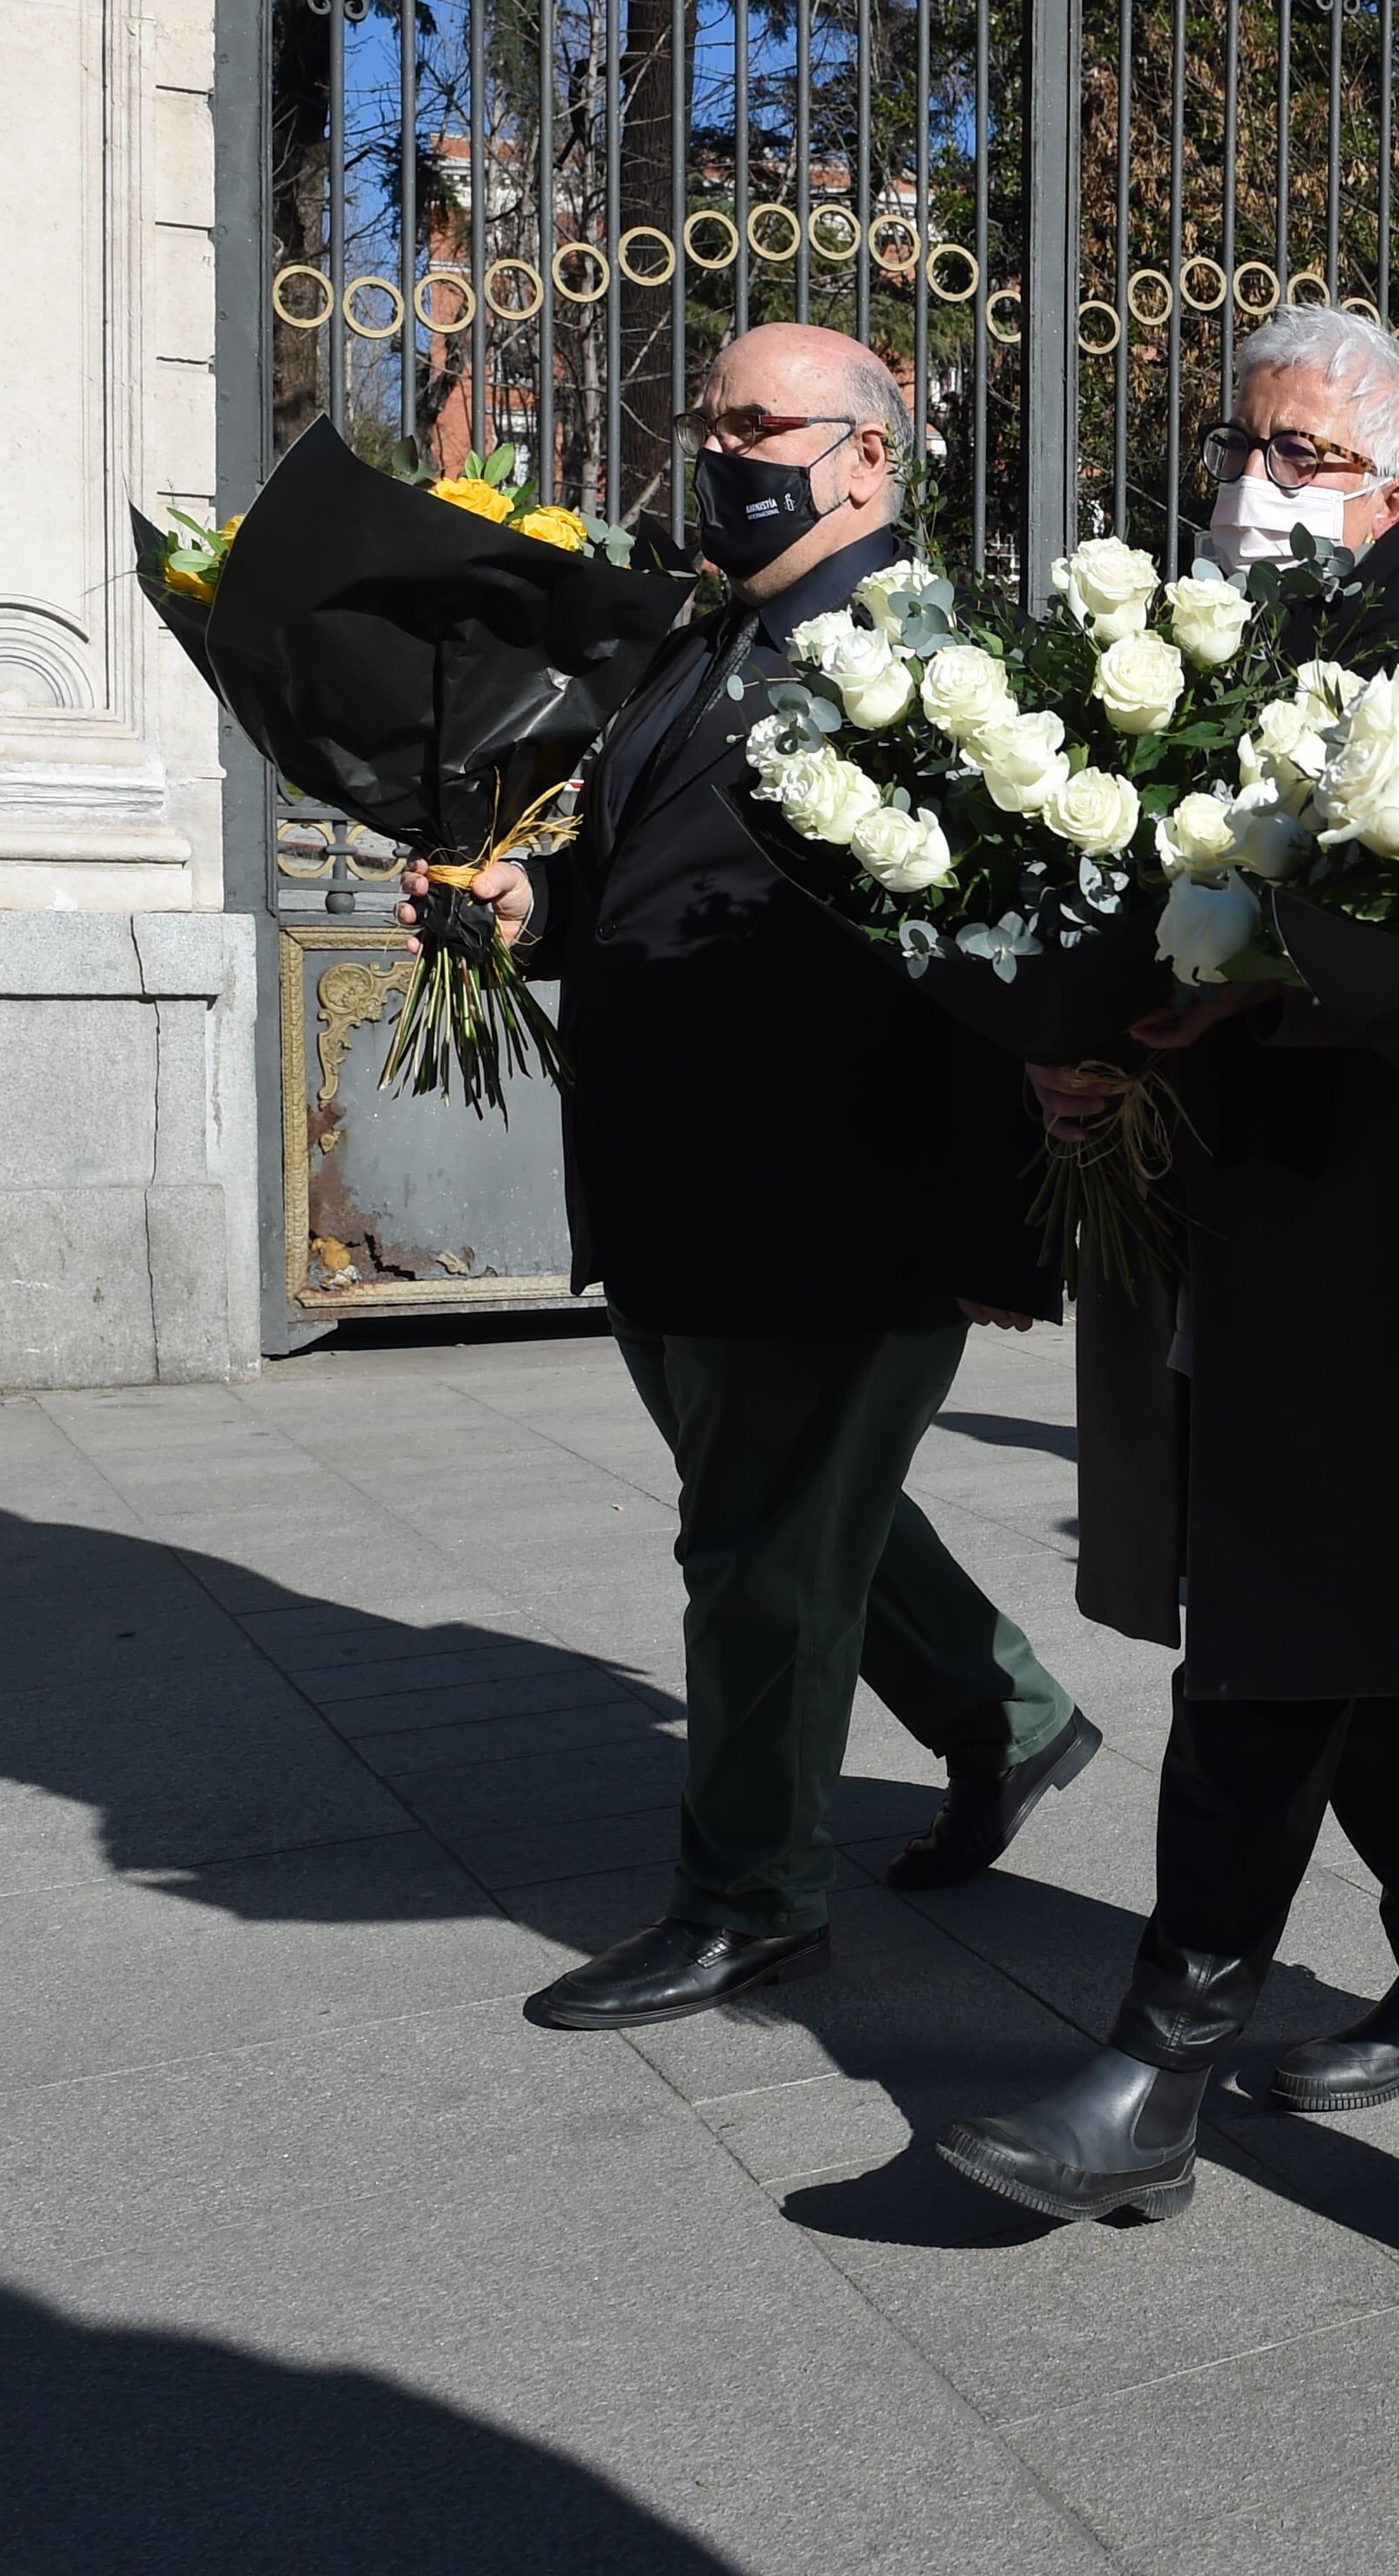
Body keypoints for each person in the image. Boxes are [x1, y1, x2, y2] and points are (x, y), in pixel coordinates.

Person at [931, 308, 1399, 2226]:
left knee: (1273, 1643)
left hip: (1385, 1242)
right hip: (1217, 1213)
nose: (1247, 483)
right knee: (1332, 1633)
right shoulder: (1203, 655)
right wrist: (1069, 1042)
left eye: (1296, 453)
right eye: (1239, 442)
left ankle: (1155, 2063)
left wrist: (1272, 994)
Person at [435, 323, 1099, 2032]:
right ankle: (1009, 1718)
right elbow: (639, 870)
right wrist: (536, 909)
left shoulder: (926, 663)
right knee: (797, 1522)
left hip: (835, 1213)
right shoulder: (703, 637)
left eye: (756, 424)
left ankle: (751, 1900)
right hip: (675, 1192)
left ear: (866, 459)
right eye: (706, 418)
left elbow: (996, 970)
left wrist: (994, 1235)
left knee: (758, 1564)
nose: (716, 450)